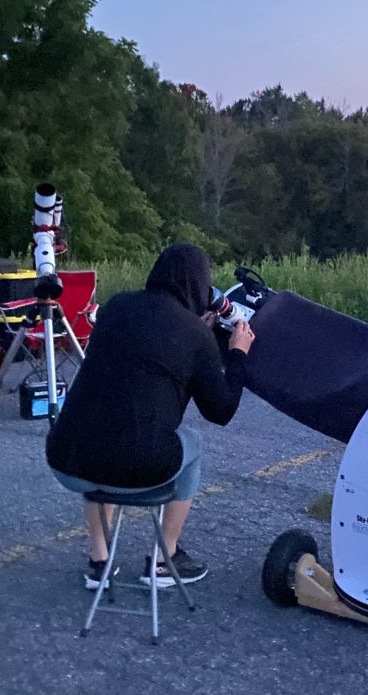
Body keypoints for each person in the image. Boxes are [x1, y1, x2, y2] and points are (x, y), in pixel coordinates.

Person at [45, 243, 255, 590]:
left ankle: (99, 561)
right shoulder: (196, 335)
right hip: (138, 468)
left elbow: (150, 341)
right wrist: (237, 355)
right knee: (191, 444)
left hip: (67, 458)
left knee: (105, 427)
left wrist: (197, 332)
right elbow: (221, 411)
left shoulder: (116, 307)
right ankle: (163, 558)